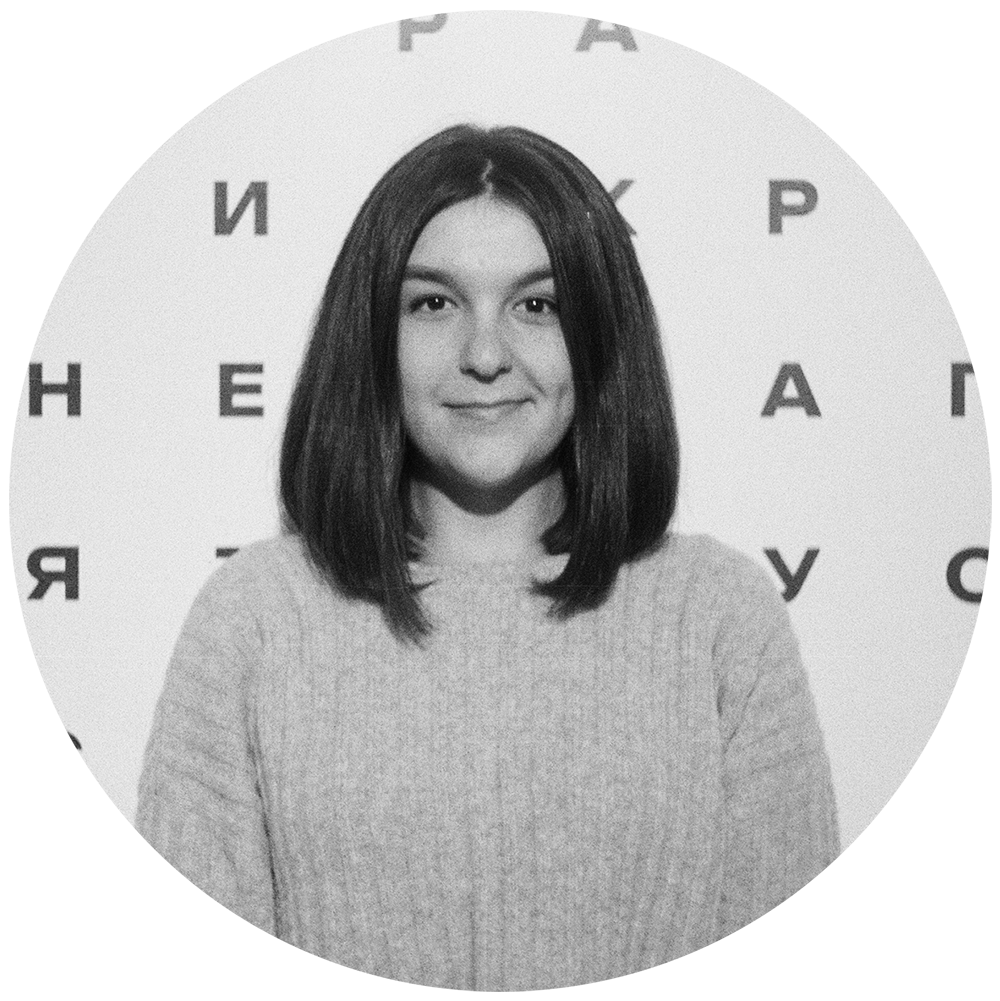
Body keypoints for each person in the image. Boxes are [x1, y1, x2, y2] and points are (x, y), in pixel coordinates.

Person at [135, 123, 839, 991]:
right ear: (372, 337)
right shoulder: (255, 619)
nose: (483, 354)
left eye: (536, 306)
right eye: (434, 303)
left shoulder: (719, 618)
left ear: (600, 336)